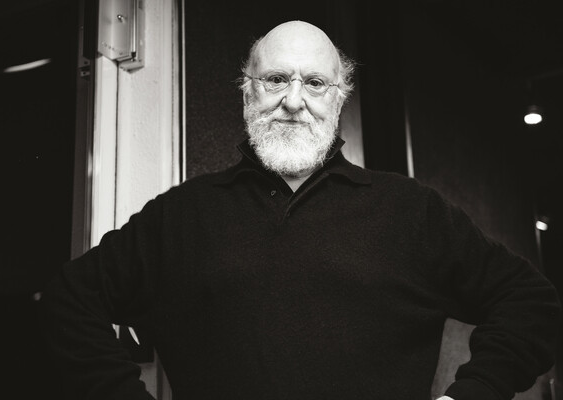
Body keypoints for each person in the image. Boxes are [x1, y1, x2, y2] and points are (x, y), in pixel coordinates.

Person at [42, 20, 560, 400]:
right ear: (247, 92)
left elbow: (532, 303)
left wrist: (473, 393)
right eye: (275, 79)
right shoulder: (181, 214)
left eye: (314, 83)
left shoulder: (411, 210)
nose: (293, 101)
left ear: (339, 99)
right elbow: (69, 301)